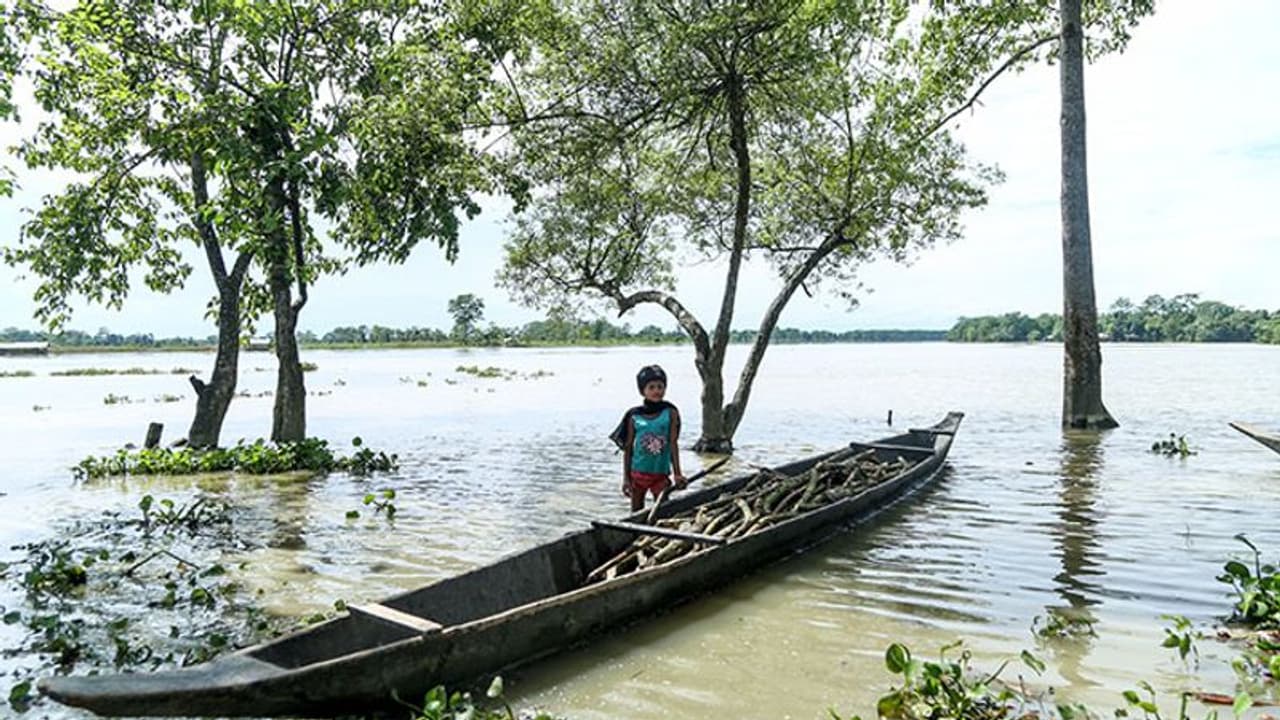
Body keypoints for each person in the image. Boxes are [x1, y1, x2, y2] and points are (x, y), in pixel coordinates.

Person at [610, 364, 687, 512]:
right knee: (636, 511)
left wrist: (677, 473)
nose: (656, 391)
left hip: (661, 473)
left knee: (662, 510)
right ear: (642, 391)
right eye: (651, 387)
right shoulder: (634, 416)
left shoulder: (670, 413)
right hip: (637, 473)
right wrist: (626, 479)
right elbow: (628, 449)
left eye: (660, 386)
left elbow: (673, 444)